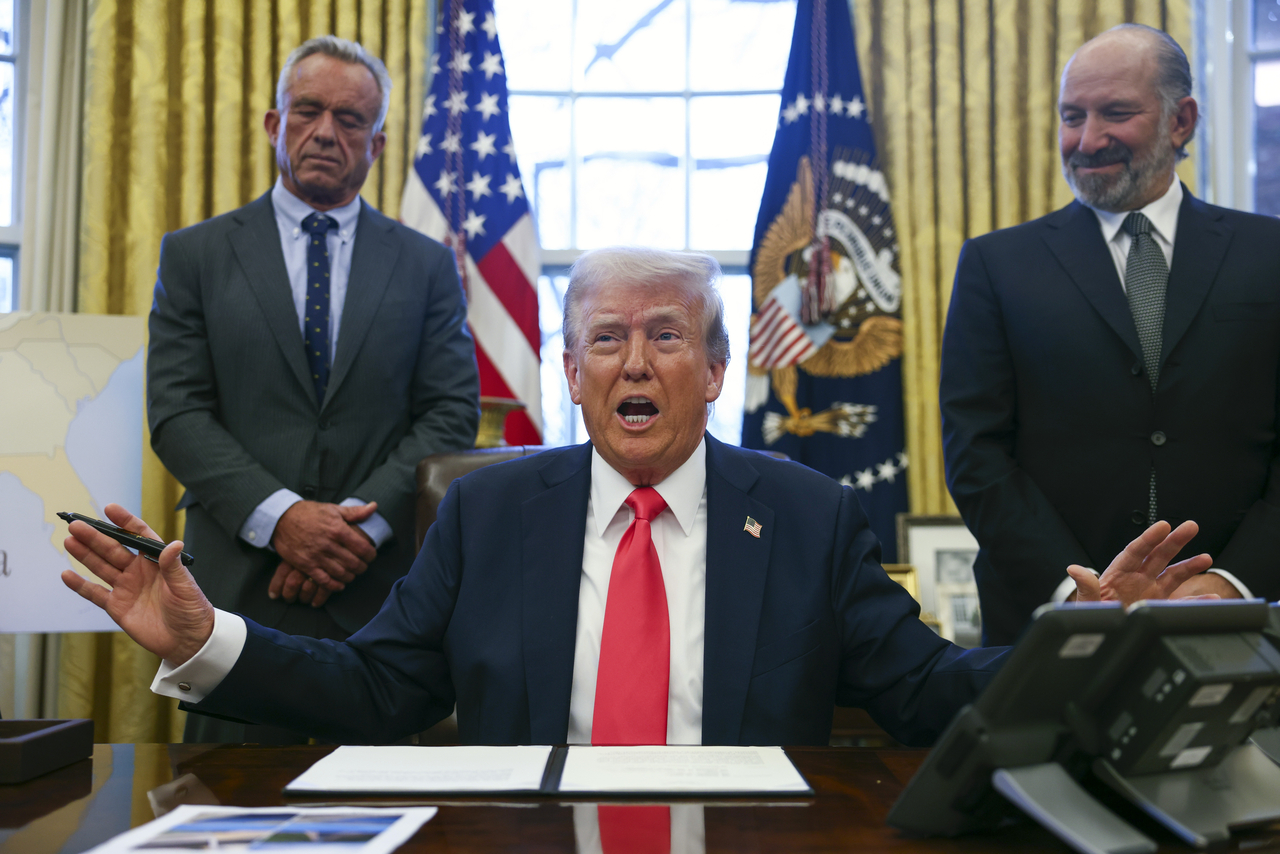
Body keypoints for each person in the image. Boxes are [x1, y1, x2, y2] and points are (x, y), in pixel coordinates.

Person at [66, 247, 1208, 747]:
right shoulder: (487, 512)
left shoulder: (806, 513)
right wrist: (209, 637)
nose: (631, 362)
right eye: (602, 338)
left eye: (665, 336)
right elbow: (375, 687)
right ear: (567, 375)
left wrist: (1076, 642)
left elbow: (920, 693)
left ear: (714, 372)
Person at [145, 35, 480, 743]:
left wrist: (354, 532)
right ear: (275, 125)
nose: (326, 131)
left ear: (377, 142)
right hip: (237, 593)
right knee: (223, 813)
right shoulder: (195, 254)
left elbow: (450, 410)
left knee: (384, 823)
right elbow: (177, 412)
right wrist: (283, 520)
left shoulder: (426, 266)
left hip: (379, 597)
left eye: (351, 119)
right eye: (307, 111)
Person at [940, 24, 1280, 646]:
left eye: (1115, 113)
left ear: (1182, 121)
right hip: (1050, 627)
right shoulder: (996, 265)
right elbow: (975, 452)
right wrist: (1077, 587)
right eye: (1073, 116)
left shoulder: (1271, 255)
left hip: (1240, 623)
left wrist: (1232, 579)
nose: (1087, 140)